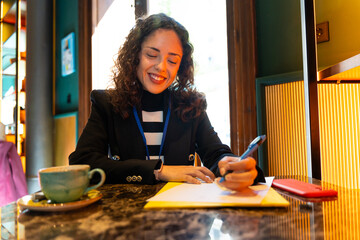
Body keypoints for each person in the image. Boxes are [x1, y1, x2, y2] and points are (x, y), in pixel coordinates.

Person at [69, 13, 265, 191]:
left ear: (181, 66)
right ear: (134, 55)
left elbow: (216, 154)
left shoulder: (190, 105)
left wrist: (231, 166)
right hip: (128, 217)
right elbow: (83, 163)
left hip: (181, 217)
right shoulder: (107, 103)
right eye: (151, 55)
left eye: (172, 61)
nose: (161, 67)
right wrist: (159, 170)